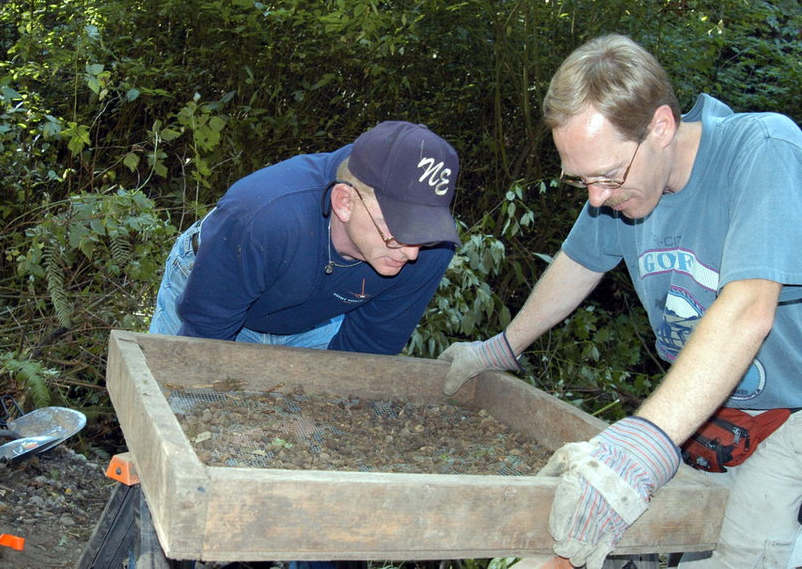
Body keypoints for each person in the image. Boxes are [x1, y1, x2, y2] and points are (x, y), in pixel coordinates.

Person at [438, 34, 801, 568]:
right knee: (644, 538)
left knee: (740, 555)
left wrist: (646, 442)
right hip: (708, 405)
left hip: (792, 409)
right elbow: (579, 263)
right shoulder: (620, 188)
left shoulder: (762, 149)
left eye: (607, 176)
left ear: (660, 126)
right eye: (581, 181)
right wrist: (501, 347)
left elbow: (749, 309)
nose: (598, 198)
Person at [150, 119, 460, 356]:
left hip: (316, 316)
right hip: (219, 281)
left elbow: (366, 352)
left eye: (423, 235)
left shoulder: (433, 248)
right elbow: (202, 341)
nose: (412, 254)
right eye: (397, 234)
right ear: (345, 202)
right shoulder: (265, 217)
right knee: (177, 402)